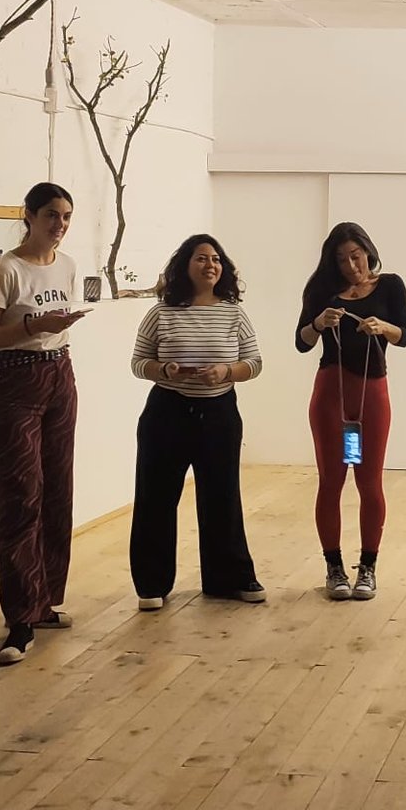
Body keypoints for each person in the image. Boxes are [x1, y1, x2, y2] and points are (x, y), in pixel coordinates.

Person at [0, 182, 85, 667]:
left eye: (66, 217)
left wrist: (53, 330)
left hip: (59, 372)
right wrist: (34, 326)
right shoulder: (4, 267)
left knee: (57, 490)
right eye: (52, 215)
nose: (59, 225)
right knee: (21, 495)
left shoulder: (67, 264)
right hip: (15, 380)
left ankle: (43, 602)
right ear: (29, 216)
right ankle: (18, 616)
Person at [129, 233, 266, 609]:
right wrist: (165, 368)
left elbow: (254, 363)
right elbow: (138, 362)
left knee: (221, 497)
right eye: (201, 259)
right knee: (155, 498)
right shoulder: (161, 312)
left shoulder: (234, 313)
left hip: (219, 414)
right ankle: (152, 585)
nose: (211, 265)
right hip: (166, 413)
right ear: (184, 267)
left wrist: (226, 371)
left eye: (216, 259)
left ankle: (229, 578)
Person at [295, 223, 406, 602]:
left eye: (356, 256)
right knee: (332, 479)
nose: (350, 265)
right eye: (342, 259)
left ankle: (368, 567)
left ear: (368, 251)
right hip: (332, 393)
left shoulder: (391, 285)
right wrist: (318, 322)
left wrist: (384, 327)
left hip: (371, 393)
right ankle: (334, 567)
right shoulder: (321, 292)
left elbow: (405, 335)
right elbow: (301, 342)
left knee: (369, 481)